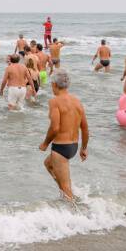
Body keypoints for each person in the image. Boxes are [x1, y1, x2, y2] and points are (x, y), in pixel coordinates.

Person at [38, 71, 88, 202]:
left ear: (54, 84)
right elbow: (85, 128)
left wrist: (45, 143)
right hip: (73, 146)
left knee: (66, 186)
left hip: (60, 148)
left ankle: (74, 211)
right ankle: (66, 193)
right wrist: (83, 148)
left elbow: (55, 128)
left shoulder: (54, 102)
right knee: (48, 164)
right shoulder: (77, 102)